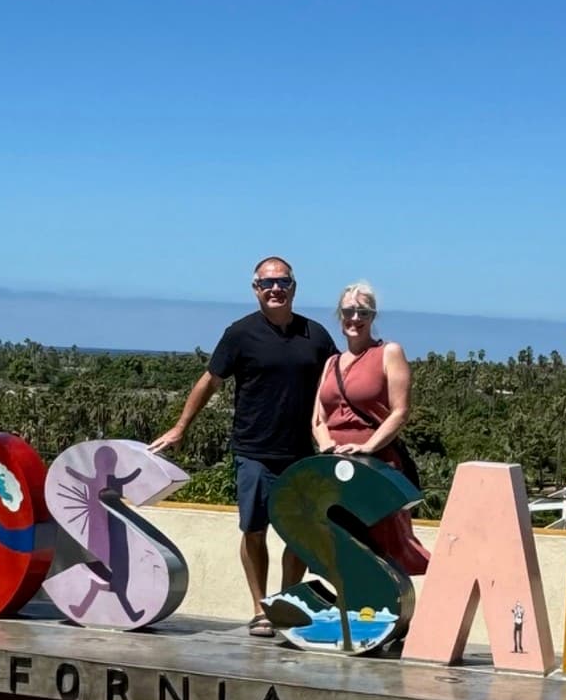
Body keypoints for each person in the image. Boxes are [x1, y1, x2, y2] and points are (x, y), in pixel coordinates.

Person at [154, 255, 336, 636]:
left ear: (293, 288)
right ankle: (260, 610)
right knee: (254, 530)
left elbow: (337, 386)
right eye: (267, 283)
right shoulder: (240, 334)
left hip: (303, 454)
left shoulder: (316, 336)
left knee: (300, 536)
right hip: (254, 450)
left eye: (282, 282)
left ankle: (287, 607)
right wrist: (180, 427)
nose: (275, 289)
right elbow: (209, 381)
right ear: (256, 289)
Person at [312, 281, 429, 577]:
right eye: (349, 311)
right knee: (337, 545)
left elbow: (400, 411)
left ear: (373, 316)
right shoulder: (332, 363)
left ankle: (384, 611)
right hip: (335, 469)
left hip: (375, 466)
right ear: (340, 316)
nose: (355, 318)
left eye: (363, 311)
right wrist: (327, 445)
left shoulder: (389, 352)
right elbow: (318, 418)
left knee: (381, 546)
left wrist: (367, 448)